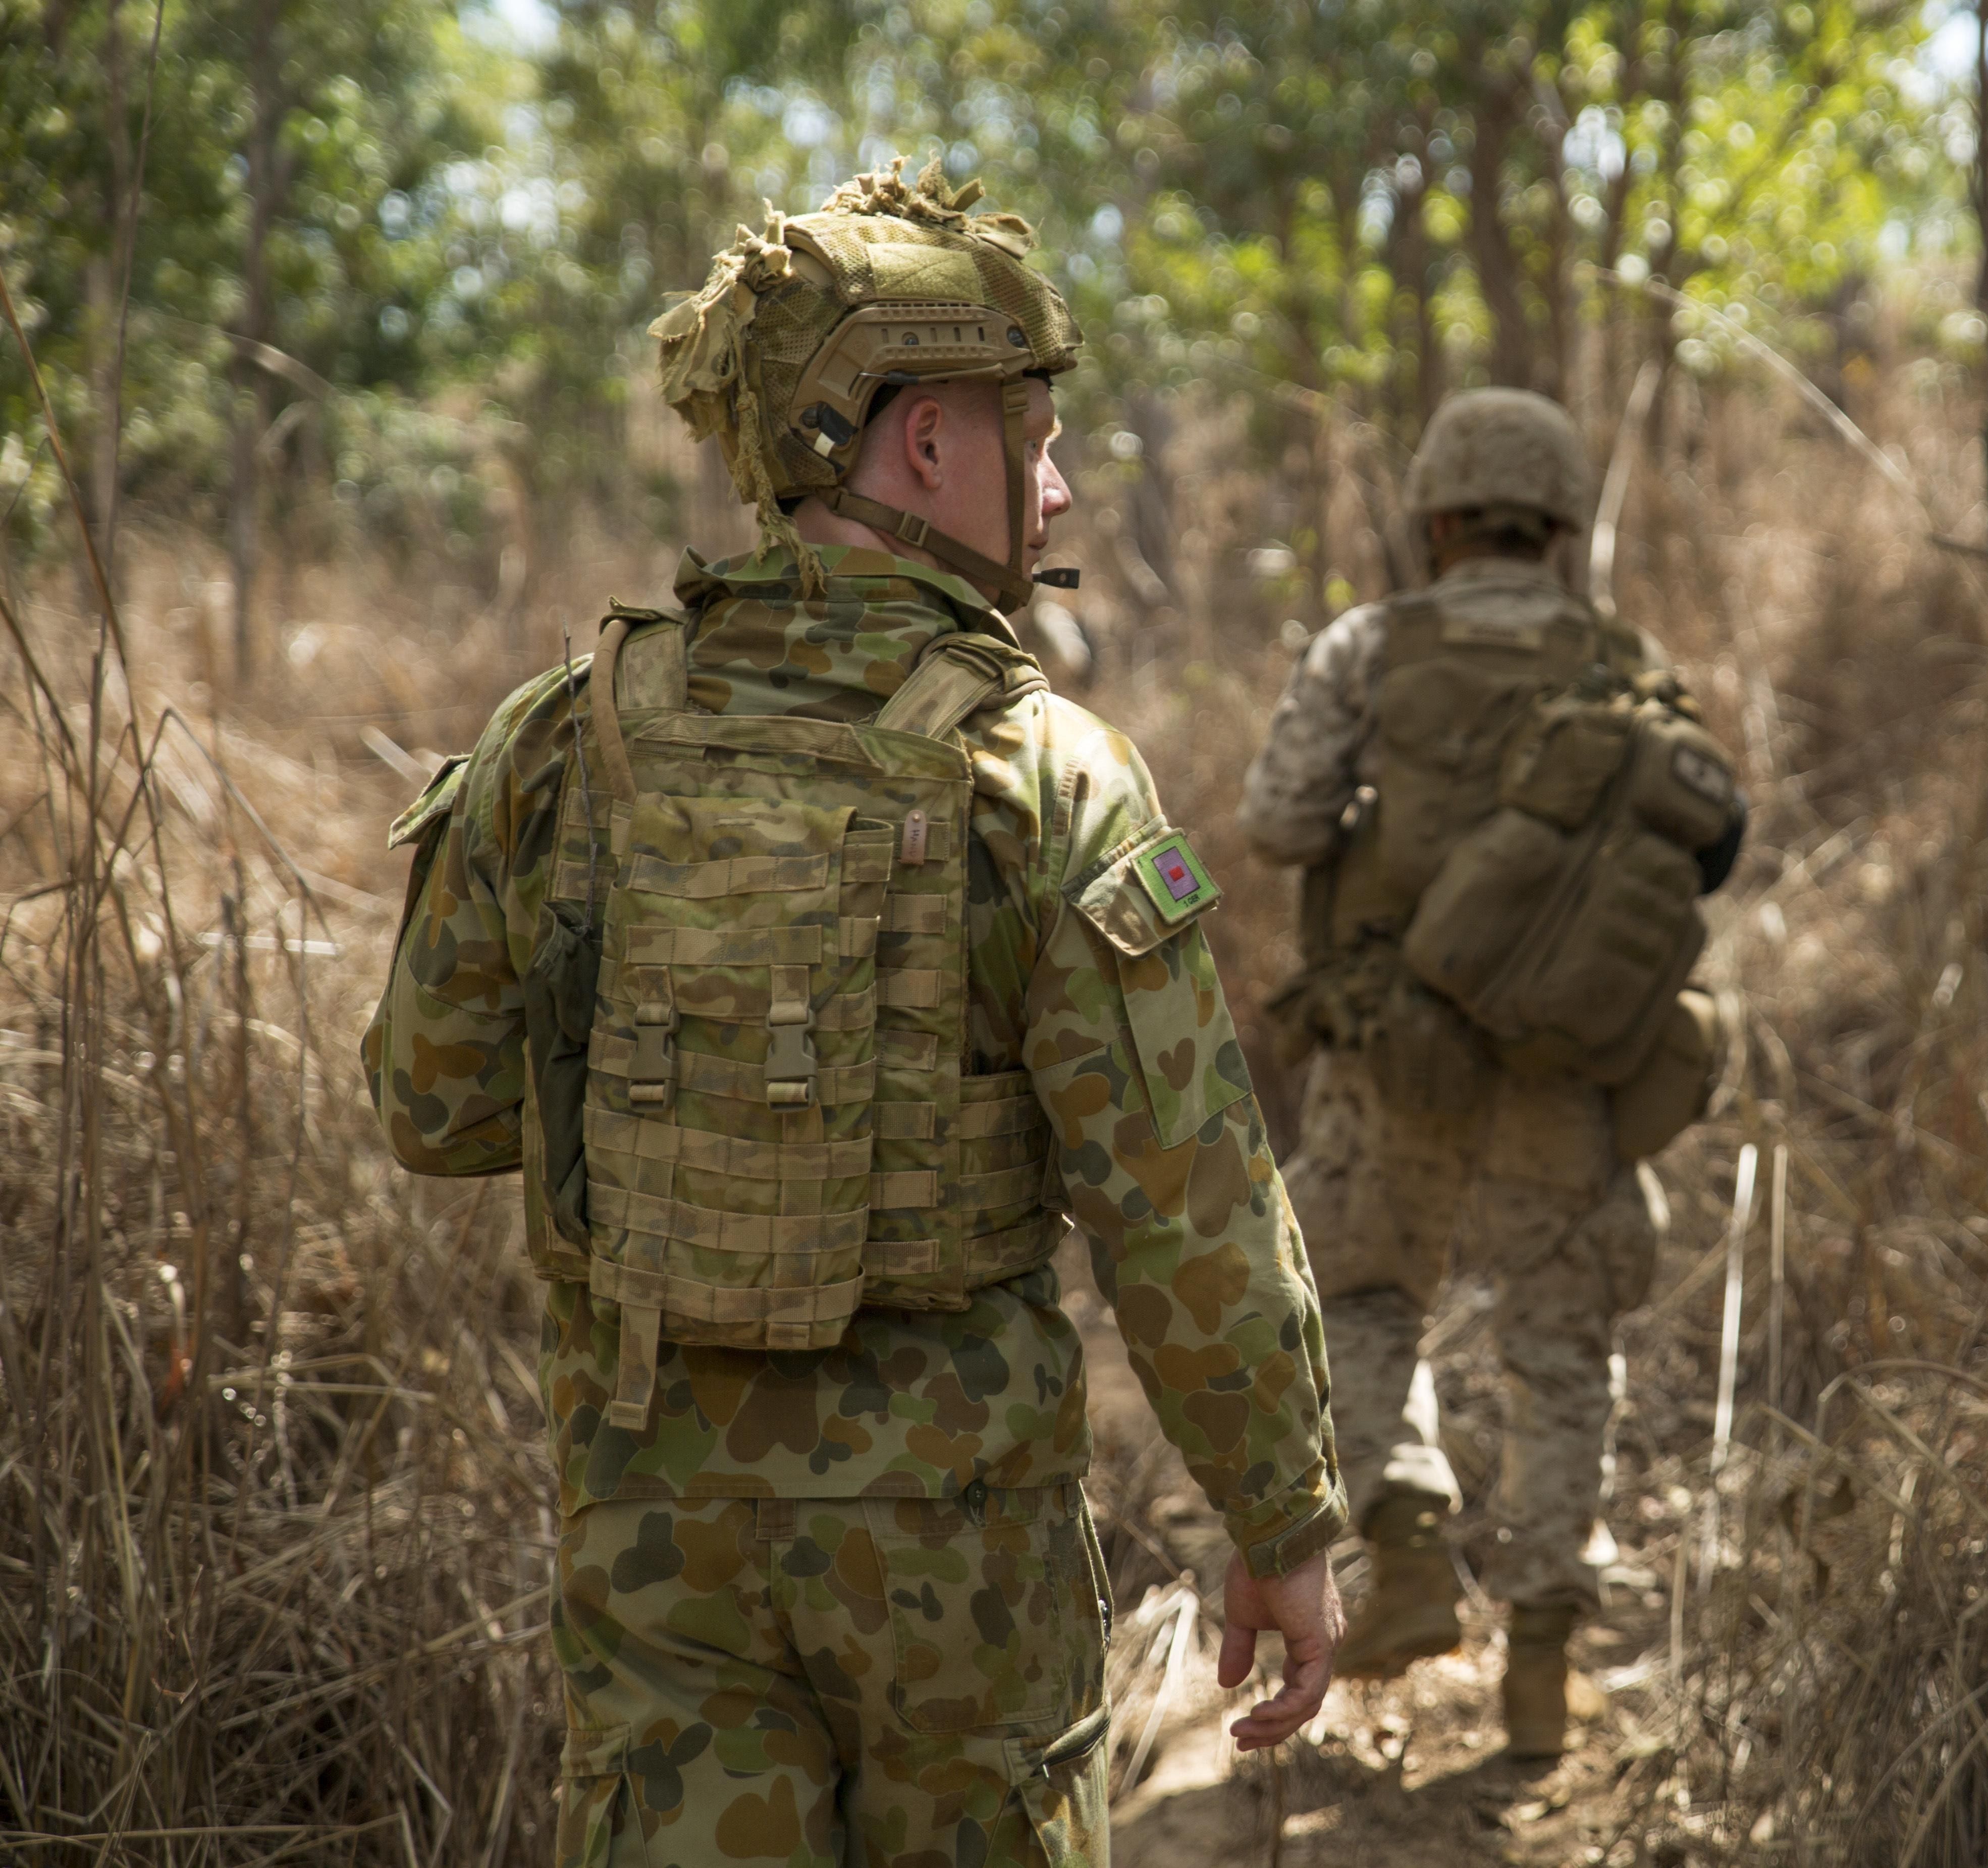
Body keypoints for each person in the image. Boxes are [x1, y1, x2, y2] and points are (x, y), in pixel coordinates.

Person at [365, 161, 1345, 1867]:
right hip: (952, 1556)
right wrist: (1281, 1517)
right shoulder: (1046, 776)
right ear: (924, 446)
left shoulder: (559, 740)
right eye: (1031, 432)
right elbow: (1181, 1197)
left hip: (656, 1531)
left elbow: (430, 1112)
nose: (1064, 479)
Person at [1237, 388, 1740, 1760]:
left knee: (1361, 1302)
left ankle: (1406, 1554)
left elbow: (1278, 821)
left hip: (1390, 1050)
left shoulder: (1368, 646)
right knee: (1561, 1347)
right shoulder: (1622, 657)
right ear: (1563, 524)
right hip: (1562, 1069)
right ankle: (1542, 1664)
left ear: (1440, 515)